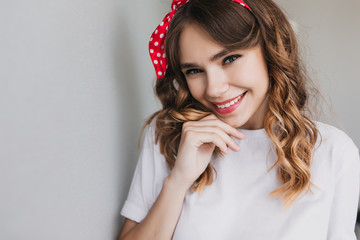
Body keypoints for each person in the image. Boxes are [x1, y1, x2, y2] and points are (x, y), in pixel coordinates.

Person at [118, 0, 360, 239]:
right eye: (194, 71)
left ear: (269, 49)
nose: (214, 88)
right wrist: (179, 180)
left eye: (229, 59)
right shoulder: (168, 135)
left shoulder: (333, 152)